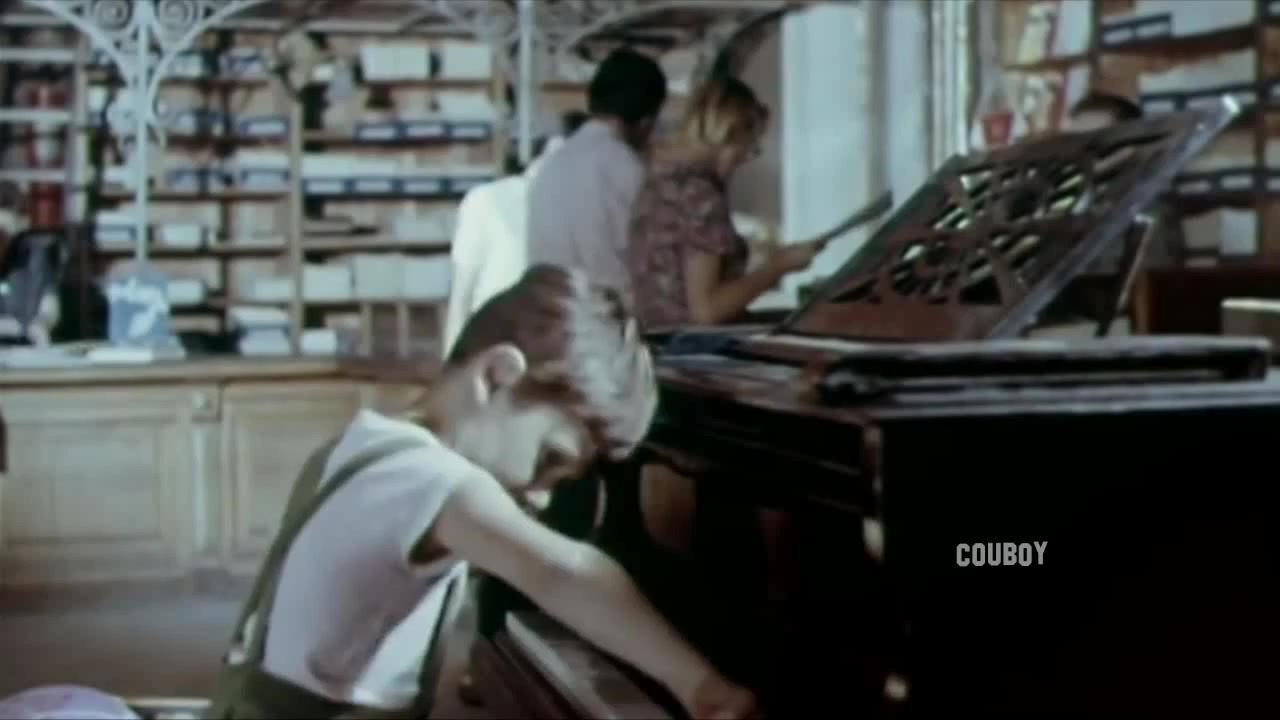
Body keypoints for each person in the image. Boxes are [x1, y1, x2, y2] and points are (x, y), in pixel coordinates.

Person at [207, 265, 760, 720]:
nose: (541, 499)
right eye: (548, 459)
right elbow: (560, 572)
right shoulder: (430, 479)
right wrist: (699, 684)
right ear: (496, 375)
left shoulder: (365, 447)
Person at [626, 76, 823, 329]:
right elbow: (707, 311)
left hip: (654, 341)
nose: (750, 156)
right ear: (728, 133)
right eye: (750, 143)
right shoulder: (701, 197)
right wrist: (777, 267)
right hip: (691, 347)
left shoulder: (657, 183)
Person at [526, 48, 669, 309]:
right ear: (647, 121)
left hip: (547, 314)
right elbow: (647, 262)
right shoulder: (624, 166)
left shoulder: (552, 164)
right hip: (604, 317)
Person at [443, 111, 589, 356]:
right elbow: (460, 299)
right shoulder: (487, 200)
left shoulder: (580, 213)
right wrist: (451, 367)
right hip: (494, 350)